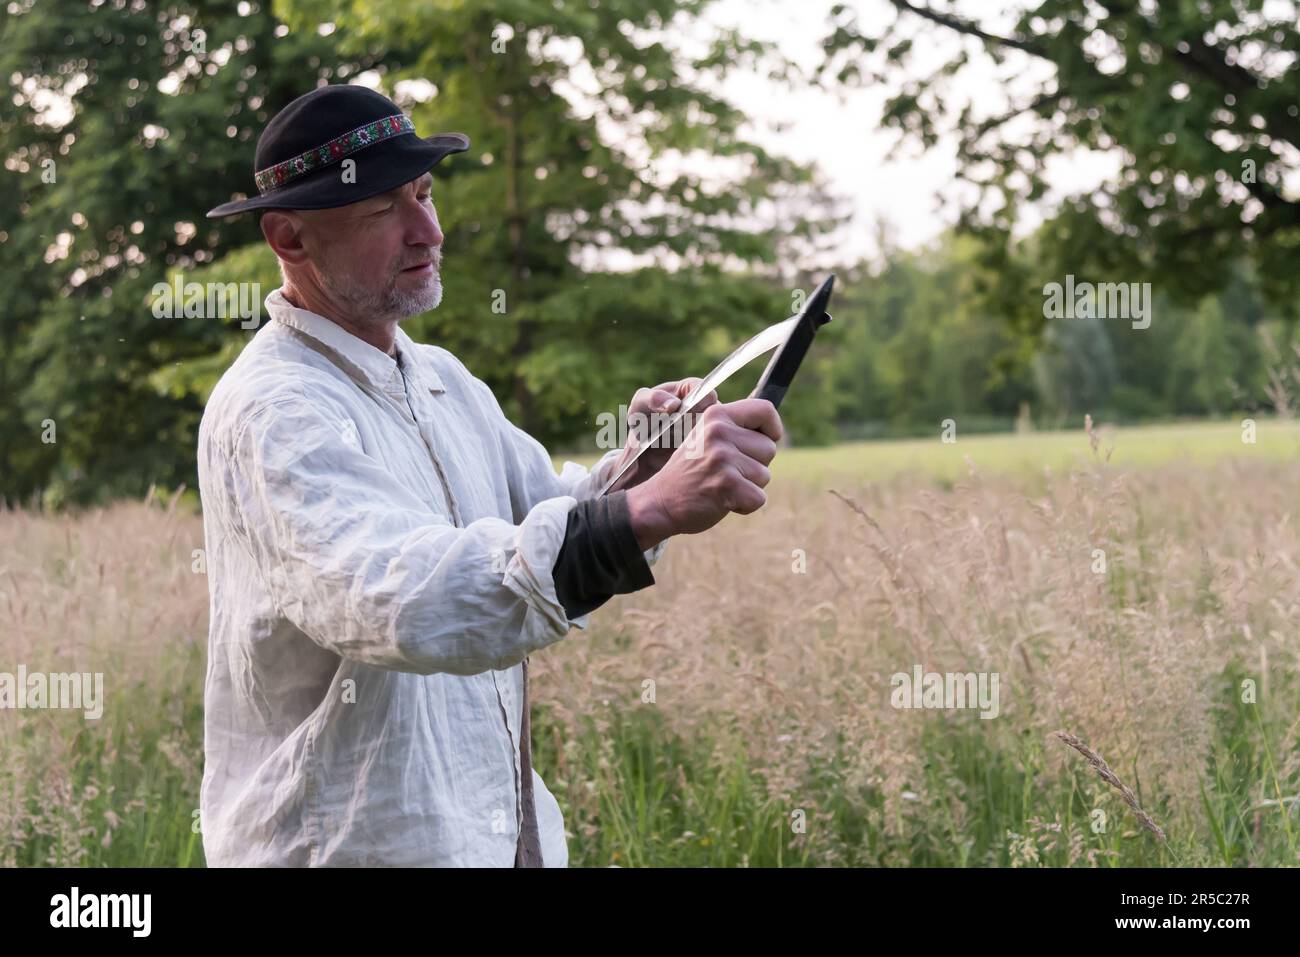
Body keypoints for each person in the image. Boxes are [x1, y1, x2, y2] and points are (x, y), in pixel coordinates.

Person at [197, 84, 782, 866]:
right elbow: (406, 600)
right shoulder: (274, 410)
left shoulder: (439, 377)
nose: (428, 230)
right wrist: (648, 510)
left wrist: (647, 464)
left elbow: (543, 518)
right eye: (383, 210)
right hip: (346, 847)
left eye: (425, 193)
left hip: (487, 835)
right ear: (290, 238)